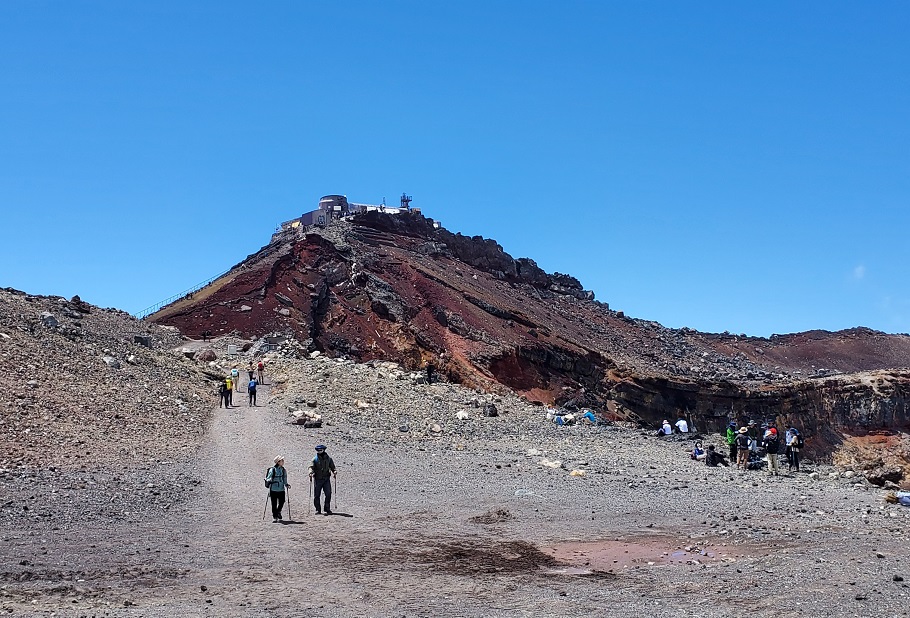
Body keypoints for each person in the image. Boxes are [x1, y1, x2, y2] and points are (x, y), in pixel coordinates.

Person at [309, 444, 336, 515]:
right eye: (318, 451)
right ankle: (318, 509)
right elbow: (311, 467)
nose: (319, 452)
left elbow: (332, 466)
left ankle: (327, 508)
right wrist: (310, 472)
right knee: (317, 495)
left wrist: (334, 471)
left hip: (326, 479)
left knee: (328, 493)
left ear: (323, 450)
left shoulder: (329, 459)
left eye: (320, 450)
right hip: (318, 479)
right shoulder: (314, 459)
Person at [265, 456, 290, 523]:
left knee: (282, 501)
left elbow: (284, 478)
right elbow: (268, 477)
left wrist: (286, 484)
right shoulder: (272, 470)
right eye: (282, 460)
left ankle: (278, 511)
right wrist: (269, 480)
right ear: (278, 462)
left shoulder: (283, 470)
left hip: (281, 488)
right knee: (274, 503)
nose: (283, 461)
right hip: (273, 489)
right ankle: (275, 516)